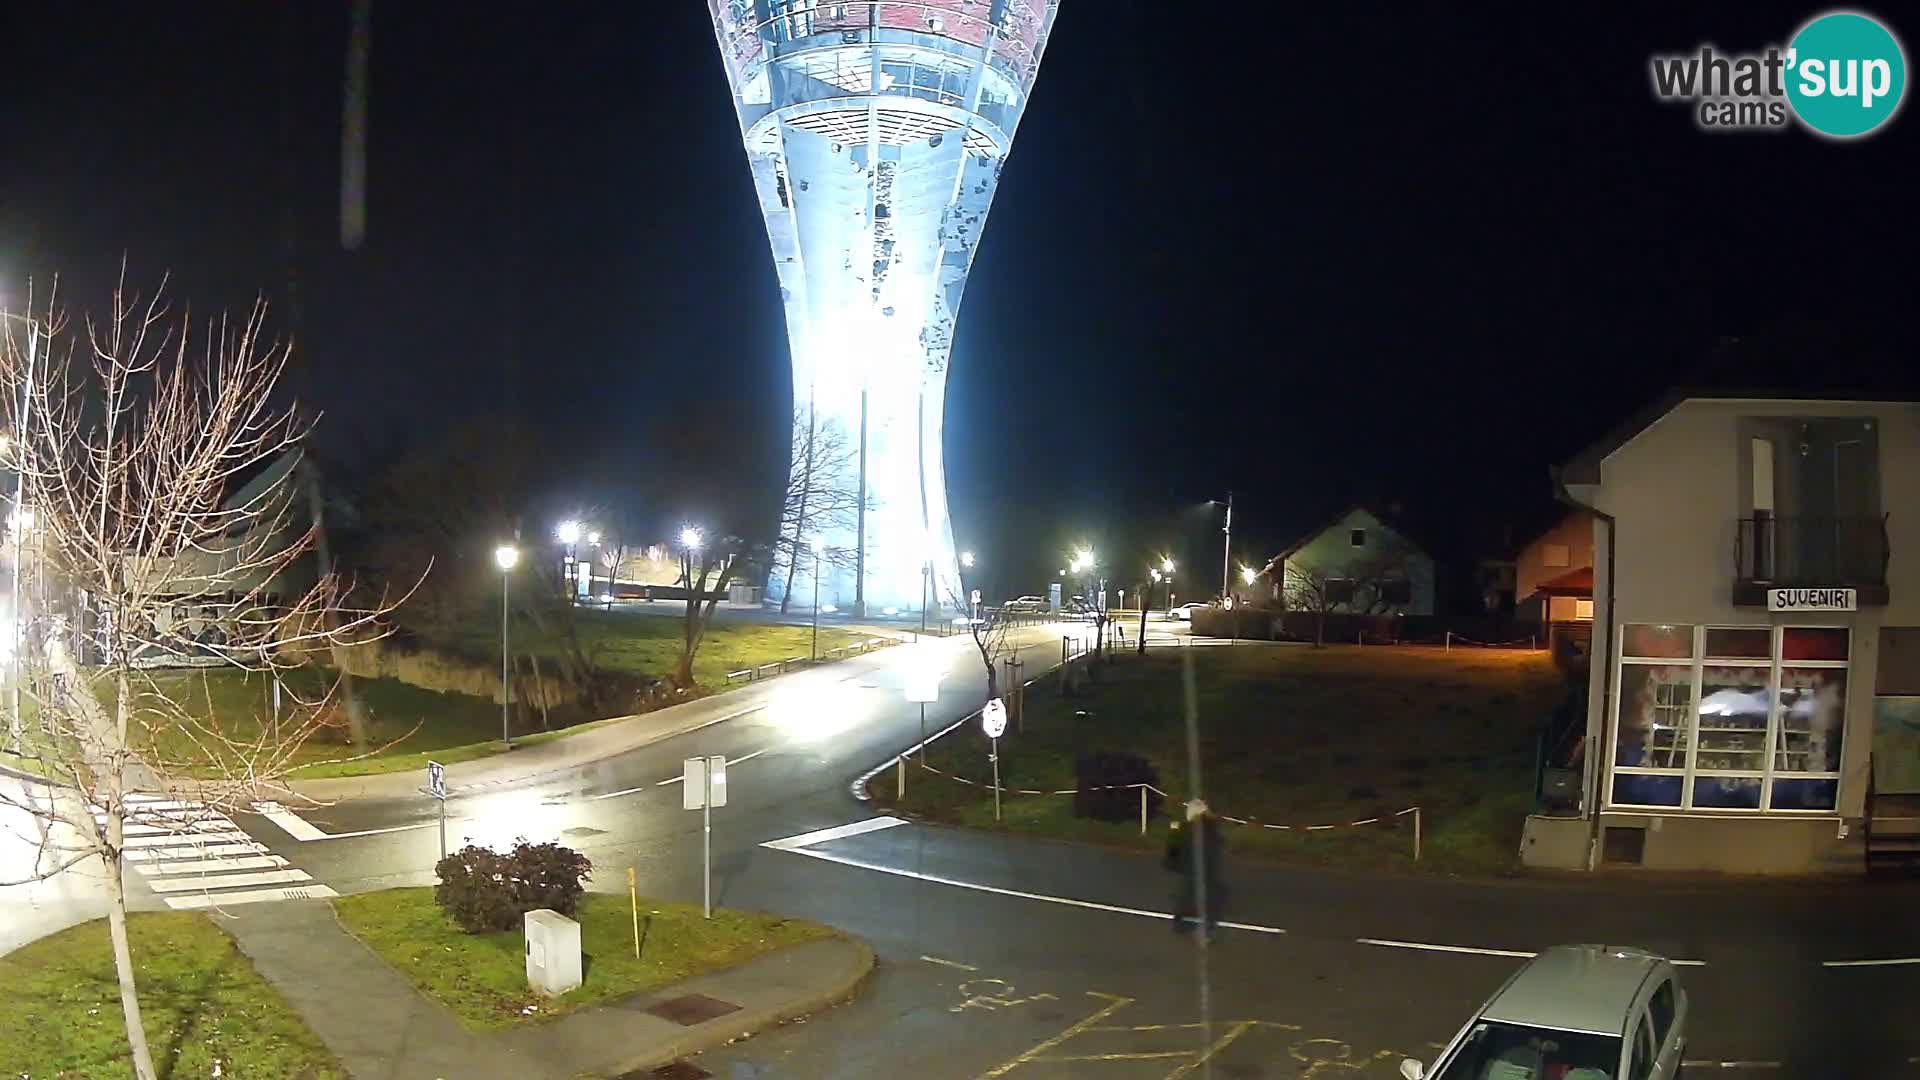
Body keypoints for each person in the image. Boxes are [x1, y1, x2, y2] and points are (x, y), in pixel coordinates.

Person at [1163, 798, 1227, 938]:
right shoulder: (1213, 828)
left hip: (1191, 868)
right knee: (1210, 896)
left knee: (1186, 895)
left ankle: (1180, 925)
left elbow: (1173, 850)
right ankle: (1208, 928)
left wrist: (1173, 831)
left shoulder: (1183, 828)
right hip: (1209, 868)